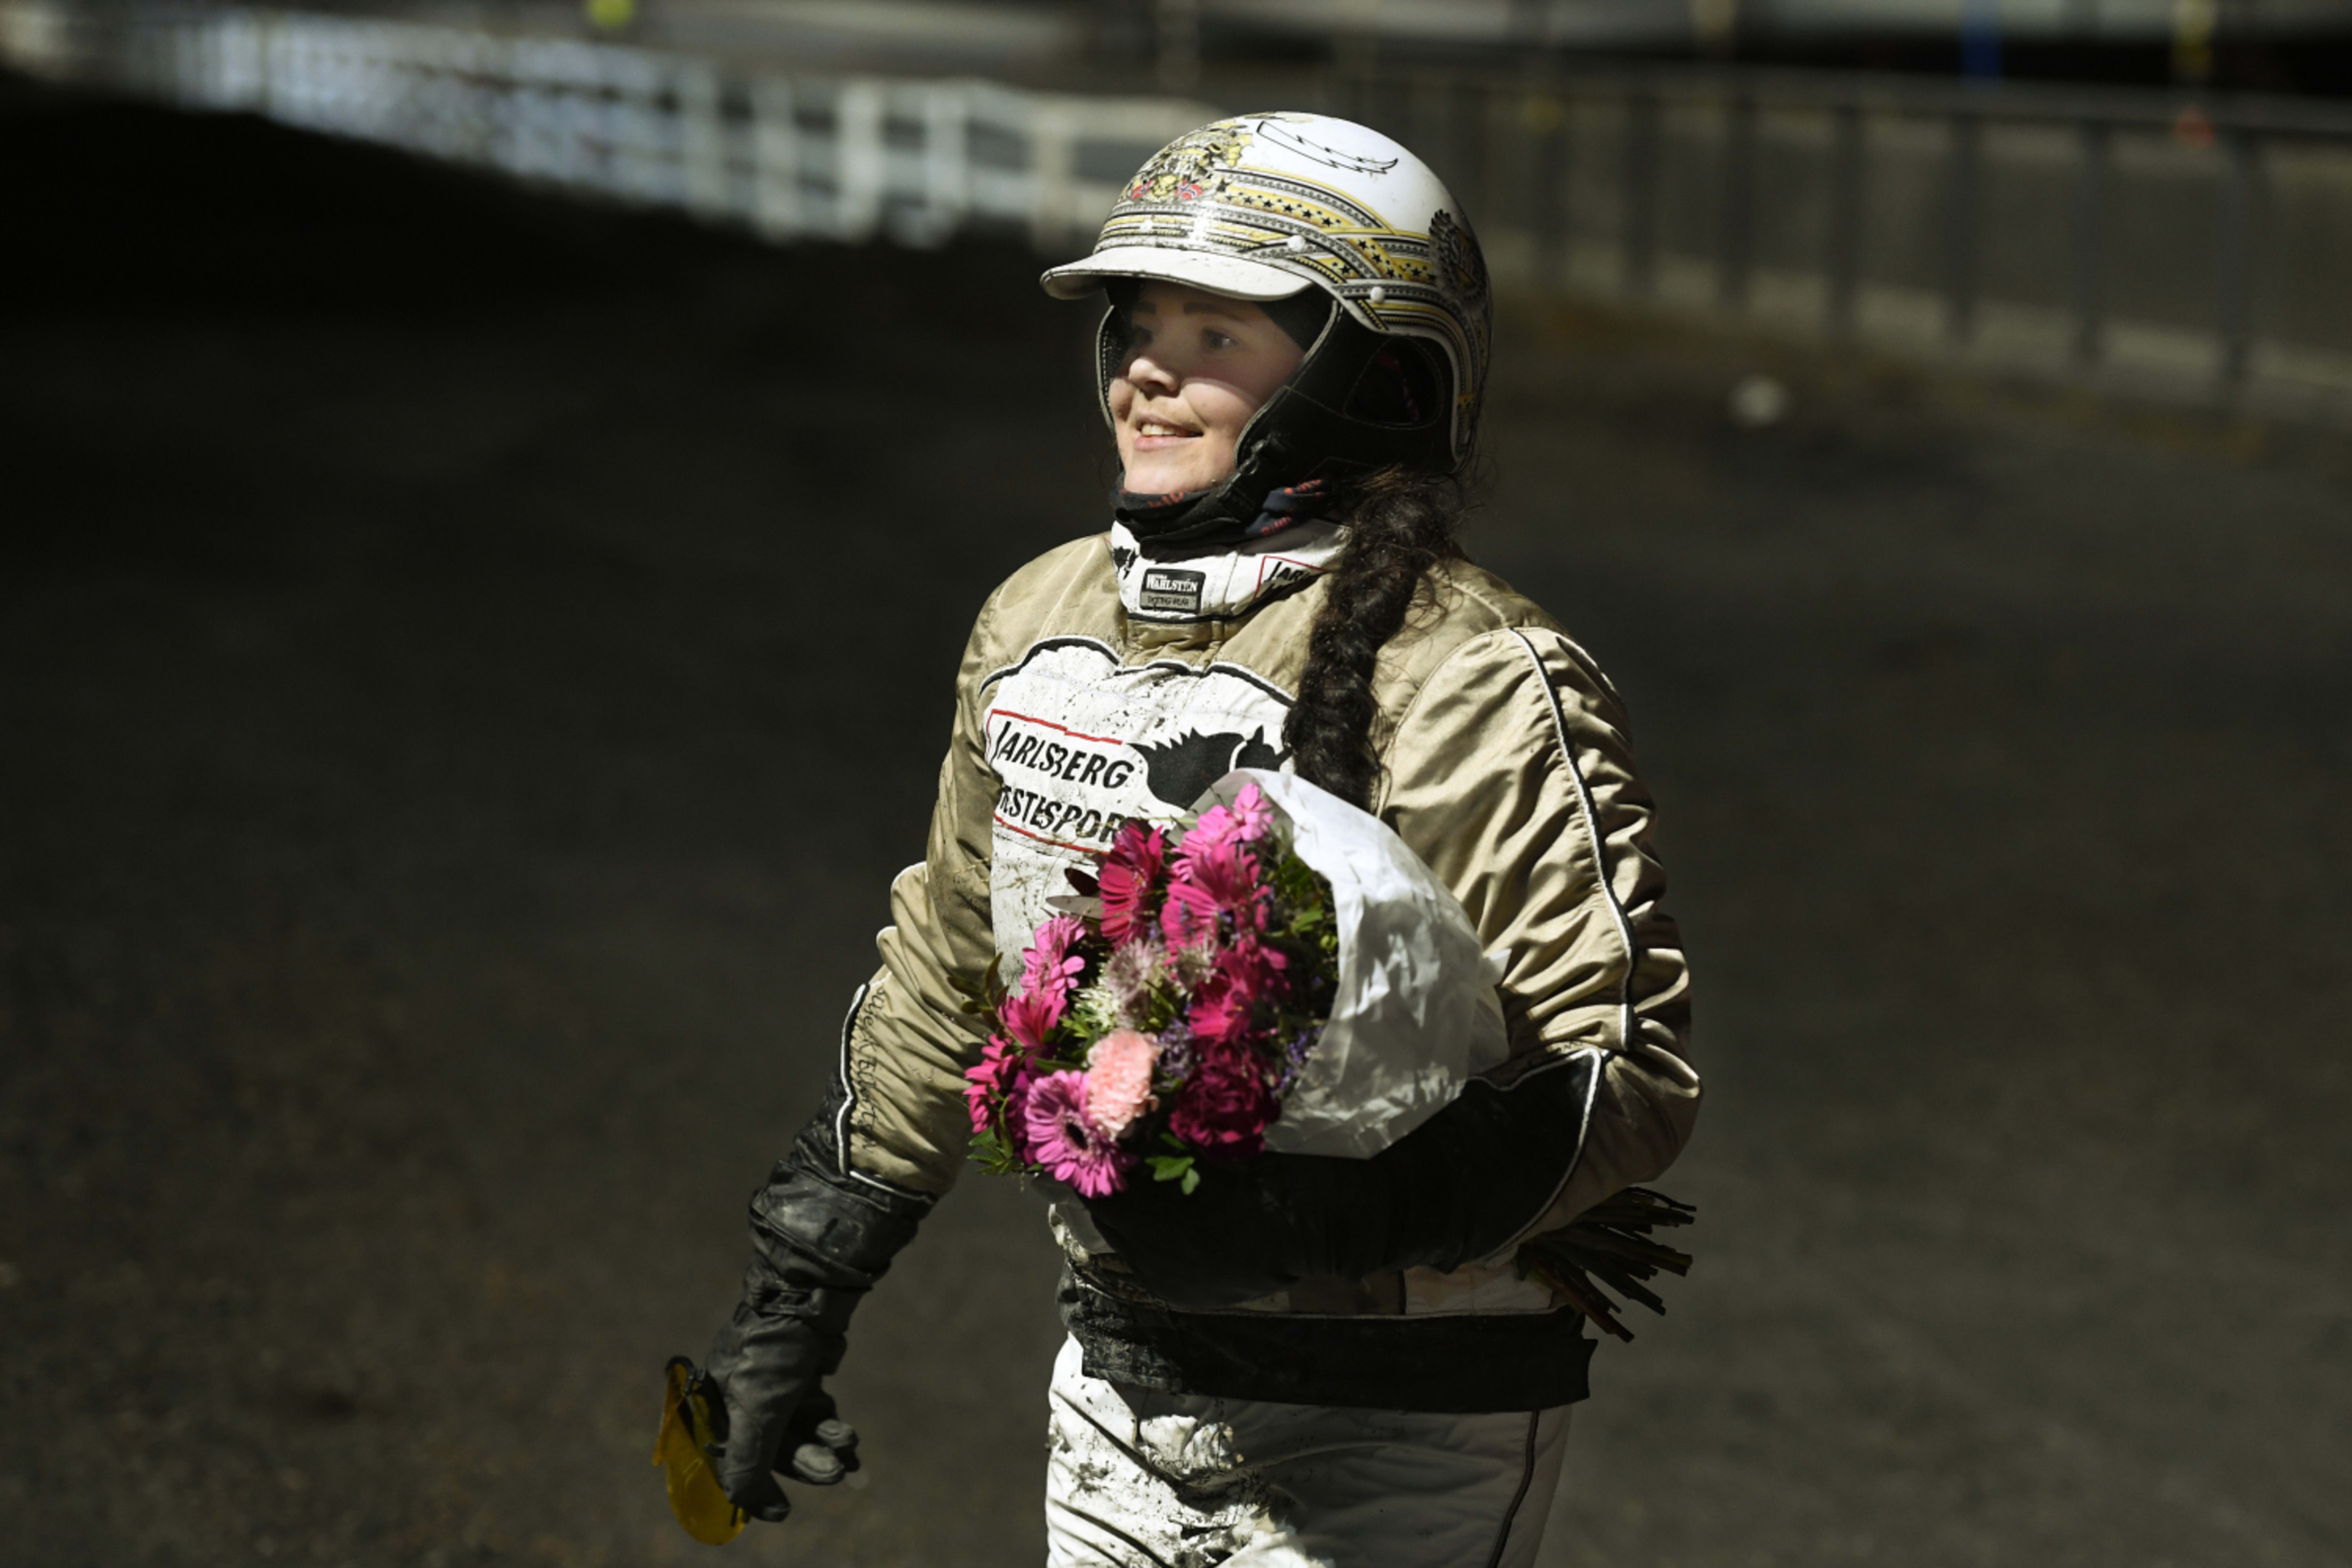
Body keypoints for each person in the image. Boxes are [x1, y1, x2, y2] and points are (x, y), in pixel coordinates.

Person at [699, 112, 1700, 1567]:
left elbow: (1622, 1066)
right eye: (1137, 328)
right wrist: (795, 1297)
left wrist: (1310, 1217)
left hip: (1408, 1415)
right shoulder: (1036, 619)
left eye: (1216, 336)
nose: (1145, 373)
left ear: (1372, 377)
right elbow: (945, 972)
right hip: (1120, 1374)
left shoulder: (1474, 672)